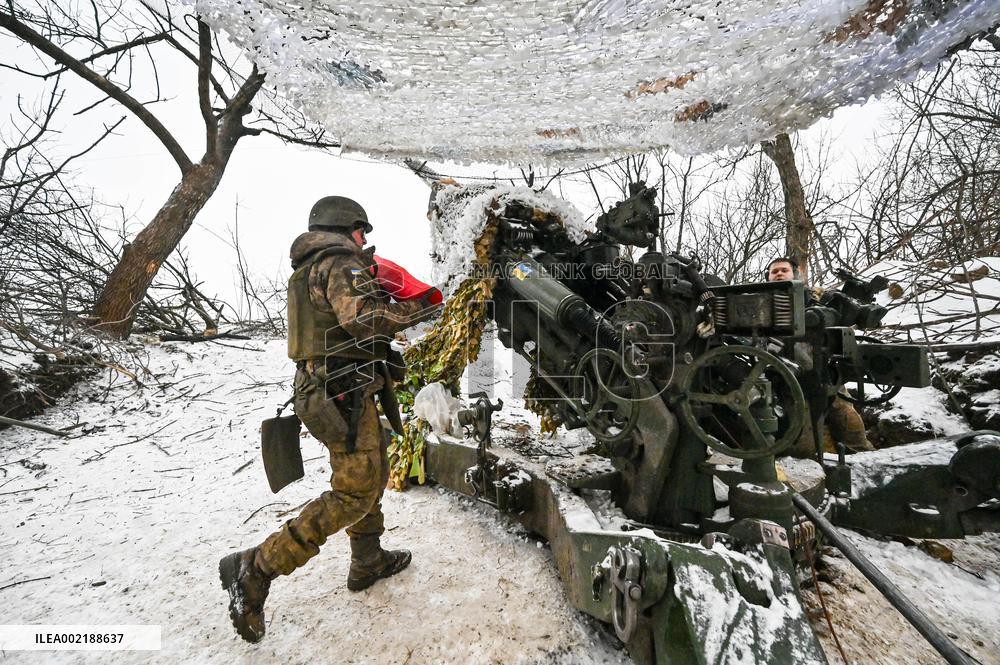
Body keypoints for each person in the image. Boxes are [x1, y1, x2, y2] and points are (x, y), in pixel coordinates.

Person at [219, 196, 440, 643]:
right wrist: (424, 308)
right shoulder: (340, 262)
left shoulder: (308, 268)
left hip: (334, 389)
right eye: (362, 230)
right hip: (341, 393)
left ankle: (368, 560)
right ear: (345, 227)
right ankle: (256, 567)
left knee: (371, 472)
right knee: (355, 491)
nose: (365, 239)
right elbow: (364, 318)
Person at [765, 256, 874, 454]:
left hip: (828, 373)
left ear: (796, 275)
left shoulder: (816, 297)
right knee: (806, 444)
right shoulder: (761, 304)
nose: (779, 273)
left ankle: (865, 465)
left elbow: (842, 313)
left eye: (784, 270)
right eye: (774, 272)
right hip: (793, 381)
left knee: (851, 428)